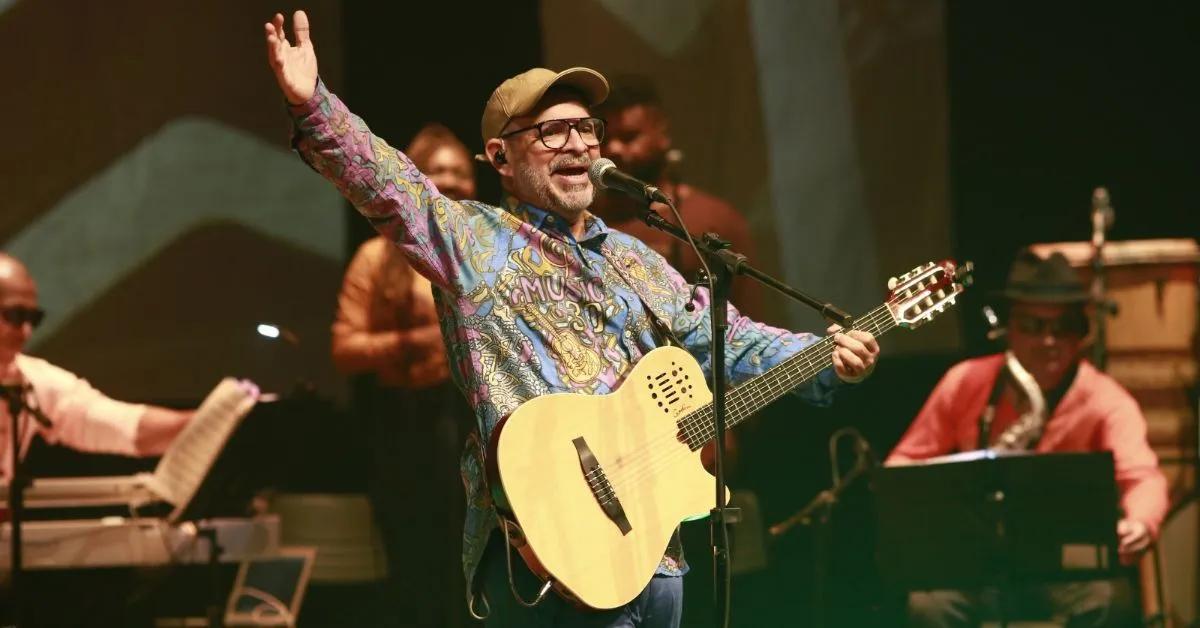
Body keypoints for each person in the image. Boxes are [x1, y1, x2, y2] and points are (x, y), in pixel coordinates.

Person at [265, 11, 880, 627]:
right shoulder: (473, 241)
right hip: (551, 552)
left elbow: (726, 337)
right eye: (553, 131)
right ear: (501, 157)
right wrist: (313, 104)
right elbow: (390, 185)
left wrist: (822, 354)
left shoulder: (634, 257)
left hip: (654, 549)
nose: (580, 144)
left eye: (586, 128)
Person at [886, 248, 1167, 627]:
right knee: (928, 607)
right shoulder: (965, 381)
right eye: (1034, 326)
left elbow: (1143, 476)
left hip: (1064, 567)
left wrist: (1140, 522)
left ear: (1081, 334)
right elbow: (902, 466)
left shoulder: (1105, 399)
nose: (1048, 341)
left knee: (1109, 601)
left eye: (1063, 327)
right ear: (1009, 328)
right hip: (975, 564)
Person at [332, 122, 478, 627]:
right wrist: (418, 342)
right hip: (406, 428)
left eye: (462, 171)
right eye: (440, 171)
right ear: (417, 180)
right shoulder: (377, 257)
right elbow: (344, 347)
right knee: (415, 561)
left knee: (475, 560)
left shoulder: (488, 252)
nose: (454, 181)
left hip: (475, 426)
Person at [0, 253, 201, 480]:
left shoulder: (32, 380)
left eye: (33, 318)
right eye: (15, 315)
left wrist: (201, 424)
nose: (26, 330)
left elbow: (116, 424)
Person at [590, 75, 764, 322]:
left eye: (629, 137)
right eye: (605, 139)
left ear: (661, 134)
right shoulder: (584, 221)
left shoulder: (713, 219)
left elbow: (748, 323)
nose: (614, 149)